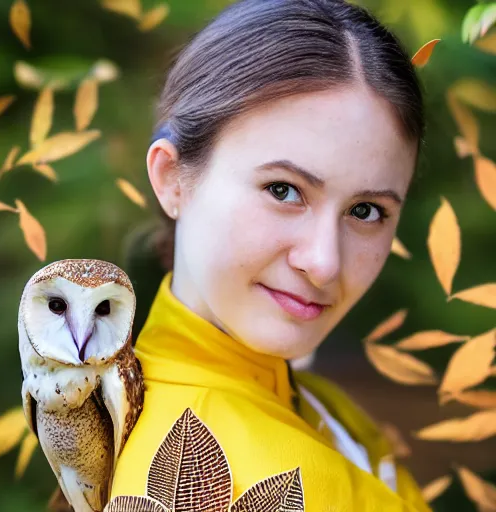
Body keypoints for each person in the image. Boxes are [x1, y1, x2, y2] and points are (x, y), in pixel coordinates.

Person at [110, 0, 430, 510]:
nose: (324, 262)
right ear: (173, 179)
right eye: (283, 190)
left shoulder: (325, 407)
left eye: (366, 211)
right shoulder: (185, 476)